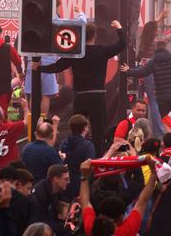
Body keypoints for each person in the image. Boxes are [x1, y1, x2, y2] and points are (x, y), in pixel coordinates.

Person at [38, 21, 126, 155]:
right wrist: (119, 28)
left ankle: (78, 156)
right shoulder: (102, 50)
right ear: (95, 35)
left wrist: (38, 67)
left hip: (80, 96)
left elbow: (57, 67)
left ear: (80, 36)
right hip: (97, 96)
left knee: (77, 130)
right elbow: (122, 44)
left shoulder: (76, 53)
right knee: (98, 130)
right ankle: (96, 159)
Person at [80, 158, 157, 236]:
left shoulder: (91, 227)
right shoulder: (127, 229)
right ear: (121, 217)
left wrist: (84, 177)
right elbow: (142, 202)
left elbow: (85, 202)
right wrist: (154, 174)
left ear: (101, 214)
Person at [122, 36, 171, 117]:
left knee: (164, 119)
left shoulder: (153, 62)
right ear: (166, 48)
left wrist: (128, 71)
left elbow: (142, 72)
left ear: (155, 49)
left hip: (162, 98)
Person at [60, 114, 95, 200]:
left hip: (64, 185)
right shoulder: (88, 145)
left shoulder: (63, 143)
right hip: (80, 187)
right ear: (85, 128)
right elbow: (90, 168)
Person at [21, 118, 62, 182]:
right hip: (42, 188)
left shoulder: (26, 148)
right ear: (51, 136)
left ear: (35, 134)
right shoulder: (50, 152)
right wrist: (61, 159)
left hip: (28, 186)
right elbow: (59, 172)